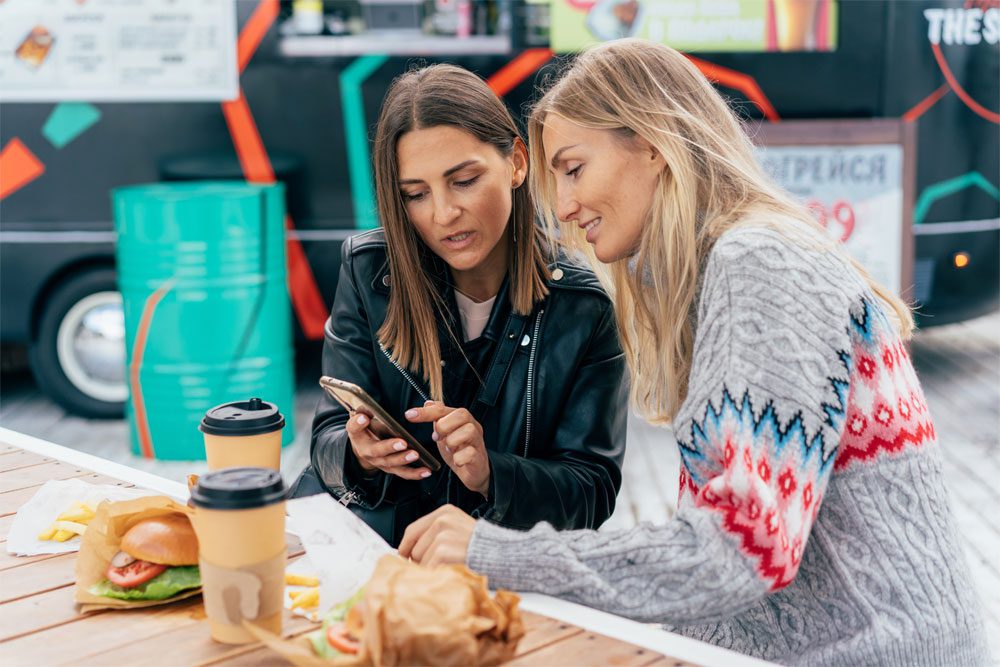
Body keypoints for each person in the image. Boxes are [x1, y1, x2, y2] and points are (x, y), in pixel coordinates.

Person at [398, 41, 989, 665]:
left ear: (653, 143)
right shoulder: (740, 263)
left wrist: (496, 554)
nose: (565, 207)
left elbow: (741, 548)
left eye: (573, 169)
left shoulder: (760, 263)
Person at [291, 64, 628, 547]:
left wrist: (494, 474)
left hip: (497, 577)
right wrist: (358, 454)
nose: (444, 214)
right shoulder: (369, 271)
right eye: (416, 194)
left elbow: (592, 494)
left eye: (464, 180)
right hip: (366, 558)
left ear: (516, 162)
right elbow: (325, 439)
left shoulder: (583, 304)